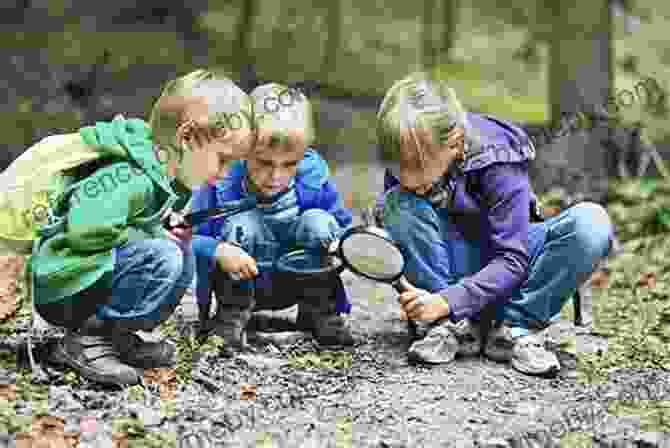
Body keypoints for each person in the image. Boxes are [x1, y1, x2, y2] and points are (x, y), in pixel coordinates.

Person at [374, 72, 614, 377]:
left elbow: (513, 258)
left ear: (455, 141)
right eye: (397, 168)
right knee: (398, 202)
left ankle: (518, 328)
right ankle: (447, 328)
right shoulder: (408, 157)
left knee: (591, 222)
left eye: (418, 168)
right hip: (452, 284)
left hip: (510, 274)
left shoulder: (497, 159)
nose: (407, 179)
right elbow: (402, 241)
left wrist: (448, 301)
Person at [32, 69, 255, 386]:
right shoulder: (130, 176)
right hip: (64, 283)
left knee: (179, 252)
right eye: (223, 160)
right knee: (162, 253)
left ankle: (115, 336)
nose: (224, 173)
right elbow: (84, 229)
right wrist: (150, 234)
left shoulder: (168, 177)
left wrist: (165, 227)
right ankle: (85, 339)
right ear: (187, 137)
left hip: (89, 278)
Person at [191, 83, 355, 355]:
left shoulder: (312, 178)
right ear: (243, 149)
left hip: (295, 280)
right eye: (264, 163)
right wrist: (218, 250)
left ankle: (319, 311)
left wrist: (345, 246)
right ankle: (231, 318)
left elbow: (344, 228)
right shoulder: (222, 181)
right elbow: (187, 237)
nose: (276, 177)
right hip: (243, 281)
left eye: (289, 164)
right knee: (243, 225)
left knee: (319, 223)